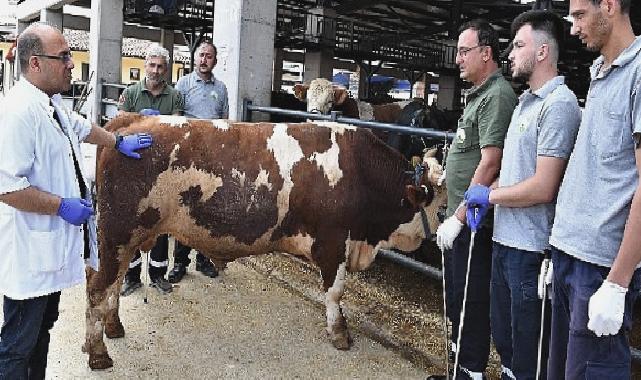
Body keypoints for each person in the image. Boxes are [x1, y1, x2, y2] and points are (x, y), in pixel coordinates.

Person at [0, 23, 152, 379]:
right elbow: (6, 188)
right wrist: (60, 206)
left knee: (41, 332)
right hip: (29, 256)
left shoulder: (49, 103)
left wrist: (117, 143)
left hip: (46, 254)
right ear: (35, 63)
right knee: (17, 344)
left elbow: (81, 127)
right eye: (64, 57)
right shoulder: (18, 113)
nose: (71, 64)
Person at [464, 10, 581, 380]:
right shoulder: (523, 103)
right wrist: (485, 193)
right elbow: (515, 175)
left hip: (530, 249)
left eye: (518, 45)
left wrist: (489, 196)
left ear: (543, 51)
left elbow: (544, 186)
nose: (510, 53)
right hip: (504, 241)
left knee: (530, 348)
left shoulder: (558, 104)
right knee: (507, 340)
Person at [545, 0, 641, 378]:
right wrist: (561, 244)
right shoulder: (600, 73)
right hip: (571, 254)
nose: (573, 27)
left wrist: (618, 282)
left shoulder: (638, 72)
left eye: (580, 15)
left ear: (610, 6)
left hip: (600, 266)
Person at [429, 20, 518, 380]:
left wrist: (460, 217)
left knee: (471, 301)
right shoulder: (479, 96)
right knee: (458, 301)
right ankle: (458, 371)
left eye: (464, 52)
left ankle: (470, 373)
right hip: (462, 217)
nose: (458, 60)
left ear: (486, 53)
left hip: (475, 223)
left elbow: (492, 161)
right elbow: (472, 153)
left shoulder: (497, 95)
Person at [118, 43, 183, 296]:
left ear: (166, 70)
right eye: (152, 65)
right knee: (134, 219)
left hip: (162, 167)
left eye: (160, 66)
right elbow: (120, 125)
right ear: (145, 66)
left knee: (161, 218)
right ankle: (132, 276)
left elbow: (178, 128)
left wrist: (161, 124)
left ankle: (158, 274)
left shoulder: (174, 96)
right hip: (133, 163)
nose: (155, 70)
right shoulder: (131, 92)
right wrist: (138, 120)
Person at [168, 40, 228, 283]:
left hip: (213, 158)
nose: (205, 60)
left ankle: (204, 259)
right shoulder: (183, 84)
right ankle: (180, 263)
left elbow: (225, 121)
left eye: (209, 56)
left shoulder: (221, 88)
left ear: (215, 61)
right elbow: (176, 119)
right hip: (189, 157)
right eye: (201, 55)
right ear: (195, 59)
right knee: (185, 209)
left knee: (209, 210)